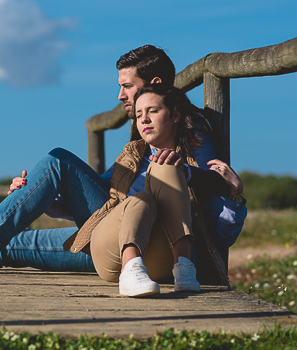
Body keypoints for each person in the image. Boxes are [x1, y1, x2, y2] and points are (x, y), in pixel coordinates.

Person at [0, 45, 247, 277]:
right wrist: (38, 196)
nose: (120, 95)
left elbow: (209, 202)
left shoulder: (191, 132)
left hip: (153, 246)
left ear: (154, 85)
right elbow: (105, 194)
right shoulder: (139, 144)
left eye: (127, 86)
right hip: (111, 237)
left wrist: (233, 198)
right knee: (5, 243)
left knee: (58, 161)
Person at [66, 83, 207, 296]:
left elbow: (223, 224)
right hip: (111, 247)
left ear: (175, 115)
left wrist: (235, 195)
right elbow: (91, 195)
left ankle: (184, 266)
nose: (144, 119)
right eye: (139, 114)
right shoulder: (128, 157)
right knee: (141, 199)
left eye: (153, 111)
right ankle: (129, 269)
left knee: (166, 163)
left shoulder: (192, 164)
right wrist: (45, 197)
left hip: (159, 258)